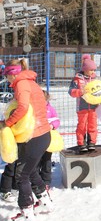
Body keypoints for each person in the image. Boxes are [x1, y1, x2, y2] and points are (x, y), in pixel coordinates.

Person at [0, 58, 52, 219]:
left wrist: (7, 123)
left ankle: (26, 211)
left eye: (6, 75)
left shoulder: (21, 84)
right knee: (32, 171)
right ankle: (45, 203)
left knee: (21, 175)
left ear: (12, 74)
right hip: (43, 134)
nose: (6, 79)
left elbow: (22, 107)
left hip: (33, 137)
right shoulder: (29, 81)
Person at [69, 54, 100, 152]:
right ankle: (81, 143)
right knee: (82, 125)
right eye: (91, 70)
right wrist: (79, 92)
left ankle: (92, 142)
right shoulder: (77, 79)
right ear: (85, 69)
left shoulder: (96, 78)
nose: (93, 72)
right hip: (82, 106)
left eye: (94, 70)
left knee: (93, 124)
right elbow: (71, 91)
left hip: (94, 106)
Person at [35, 90, 60, 189]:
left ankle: (46, 182)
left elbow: (56, 120)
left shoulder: (50, 109)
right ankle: (36, 182)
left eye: (43, 100)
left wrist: (52, 125)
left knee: (46, 161)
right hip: (36, 139)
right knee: (36, 162)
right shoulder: (33, 109)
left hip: (48, 140)